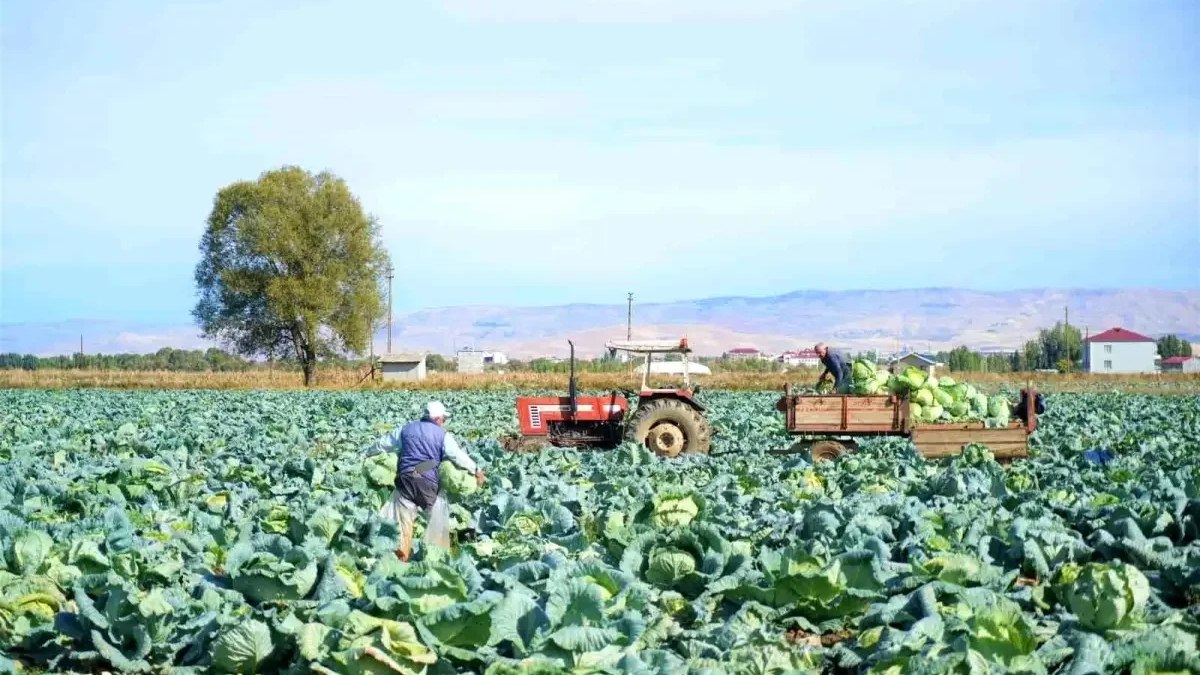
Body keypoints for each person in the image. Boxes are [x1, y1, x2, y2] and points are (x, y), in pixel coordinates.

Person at [361, 400, 485, 561]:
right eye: (444, 419)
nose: (444, 422)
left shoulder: (406, 429)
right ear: (439, 419)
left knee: (402, 522)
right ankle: (437, 557)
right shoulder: (442, 435)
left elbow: (383, 444)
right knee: (437, 520)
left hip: (406, 479)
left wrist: (368, 453)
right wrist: (476, 470)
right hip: (428, 481)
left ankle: (401, 558)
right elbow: (458, 456)